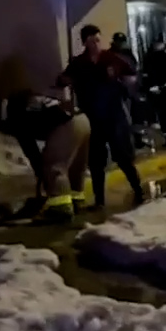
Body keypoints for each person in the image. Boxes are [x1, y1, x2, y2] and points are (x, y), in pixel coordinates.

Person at [57, 24, 145, 210]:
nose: (95, 44)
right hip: (92, 118)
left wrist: (125, 86)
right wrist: (66, 81)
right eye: (91, 41)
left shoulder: (112, 59)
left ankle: (139, 192)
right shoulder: (79, 63)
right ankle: (99, 201)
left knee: (122, 157)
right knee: (96, 161)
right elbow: (63, 80)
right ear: (85, 42)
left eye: (97, 40)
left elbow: (131, 75)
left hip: (114, 116)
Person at [0, 91, 91, 223]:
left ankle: (60, 208)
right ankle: (76, 200)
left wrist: (41, 172)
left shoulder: (15, 114)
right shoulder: (27, 95)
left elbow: (31, 149)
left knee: (54, 166)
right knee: (74, 168)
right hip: (82, 120)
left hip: (66, 124)